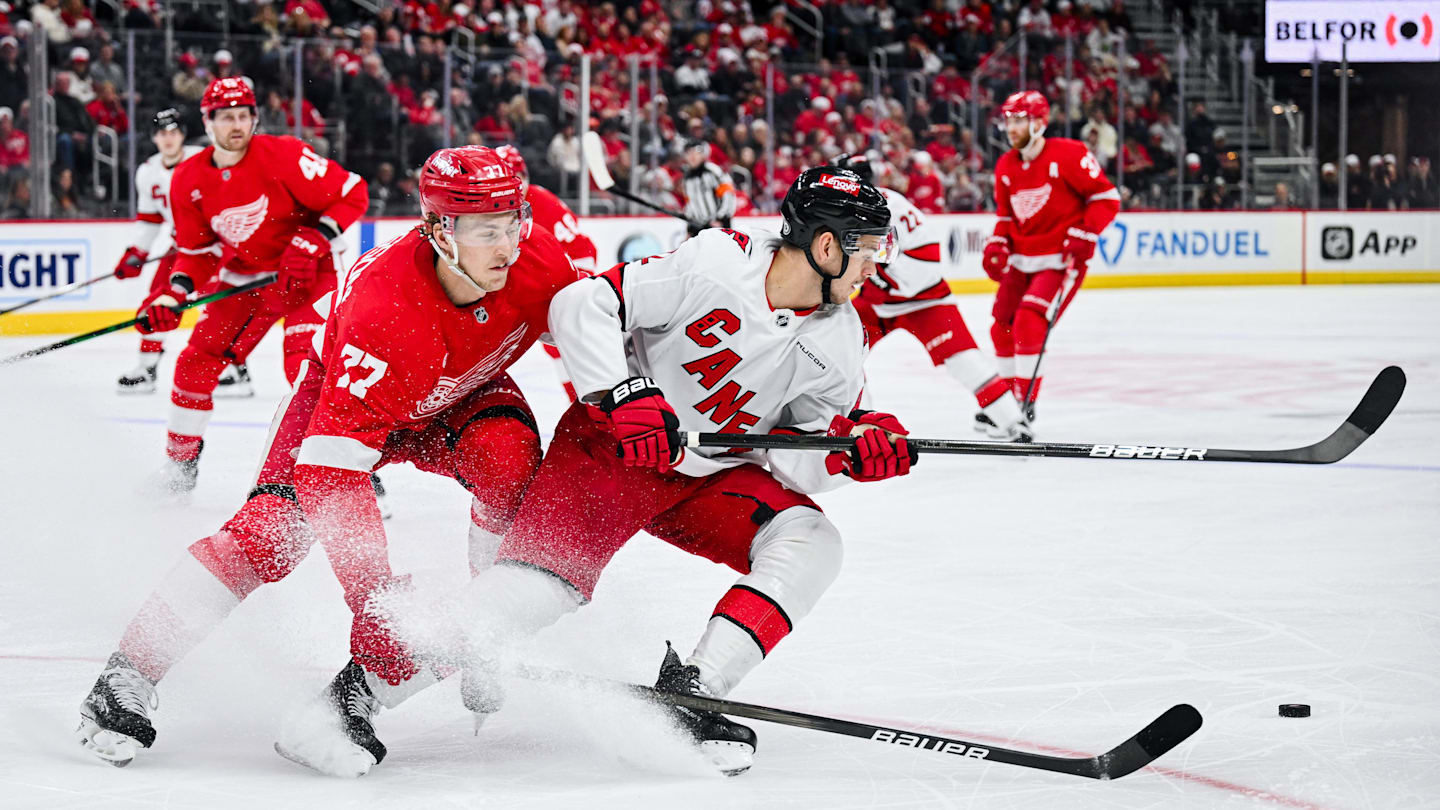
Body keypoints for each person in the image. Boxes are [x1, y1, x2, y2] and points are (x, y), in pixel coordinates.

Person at [275, 167, 916, 780]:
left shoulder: (840, 337)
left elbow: (798, 457)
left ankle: (694, 694)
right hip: (610, 456)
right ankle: (346, 699)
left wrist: (849, 450)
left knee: (811, 544)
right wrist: (625, 392)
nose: (874, 266)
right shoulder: (719, 260)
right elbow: (584, 304)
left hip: (709, 477)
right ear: (827, 246)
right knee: (528, 599)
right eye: (866, 250)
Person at [75, 146, 582, 768]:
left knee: (511, 467)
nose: (507, 247)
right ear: (438, 229)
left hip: (460, 392)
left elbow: (598, 342)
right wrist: (374, 604)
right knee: (269, 538)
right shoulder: (386, 308)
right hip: (344, 400)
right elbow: (331, 476)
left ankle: (483, 628)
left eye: (513, 223)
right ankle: (126, 676)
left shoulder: (540, 262)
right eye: (486, 231)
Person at [133, 77, 368, 493]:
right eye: (226, 117)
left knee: (308, 369)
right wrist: (175, 292)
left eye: (244, 116)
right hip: (246, 278)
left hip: (309, 274)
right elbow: (198, 251)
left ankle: (347, 470)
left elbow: (352, 192)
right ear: (207, 123)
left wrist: (315, 237)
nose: (237, 125)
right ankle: (180, 466)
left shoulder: (284, 154)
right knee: (194, 364)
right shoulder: (187, 178)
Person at [835, 151, 1029, 440]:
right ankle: (859, 424)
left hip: (924, 298)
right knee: (840, 351)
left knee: (963, 359)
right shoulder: (874, 201)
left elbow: (922, 266)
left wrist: (883, 282)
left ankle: (1012, 422)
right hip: (885, 298)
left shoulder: (875, 208)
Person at [982, 90, 1119, 428]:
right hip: (1022, 260)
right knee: (1001, 324)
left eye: (1019, 120)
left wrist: (1087, 232)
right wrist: (998, 244)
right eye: (1008, 121)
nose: (1011, 128)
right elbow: (1006, 214)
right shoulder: (1006, 165)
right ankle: (1005, 404)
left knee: (1029, 320)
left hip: (1060, 260)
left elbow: (1106, 197)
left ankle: (1024, 406)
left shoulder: (1070, 154)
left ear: (1040, 123)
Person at [112, 109, 258, 397]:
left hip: (217, 245)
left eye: (174, 132)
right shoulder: (148, 171)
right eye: (162, 133)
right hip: (182, 247)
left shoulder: (204, 159)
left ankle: (236, 369)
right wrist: (136, 253)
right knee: (157, 298)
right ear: (154, 138)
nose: (168, 139)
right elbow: (150, 220)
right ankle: (146, 368)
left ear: (182, 135)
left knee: (220, 306)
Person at [494, 143, 598, 401]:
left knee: (568, 346)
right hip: (544, 281)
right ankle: (579, 403)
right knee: (556, 349)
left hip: (569, 277)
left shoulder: (542, 203)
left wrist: (567, 290)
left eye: (515, 179)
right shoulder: (503, 206)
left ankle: (587, 404)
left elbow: (582, 252)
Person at [680, 137, 736, 237]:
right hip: (698, 229)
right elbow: (691, 205)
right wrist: (690, 229)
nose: (692, 156)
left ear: (703, 154)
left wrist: (721, 219)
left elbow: (728, 195)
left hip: (718, 227)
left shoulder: (713, 171)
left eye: (696, 152)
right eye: (689, 153)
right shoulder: (686, 178)